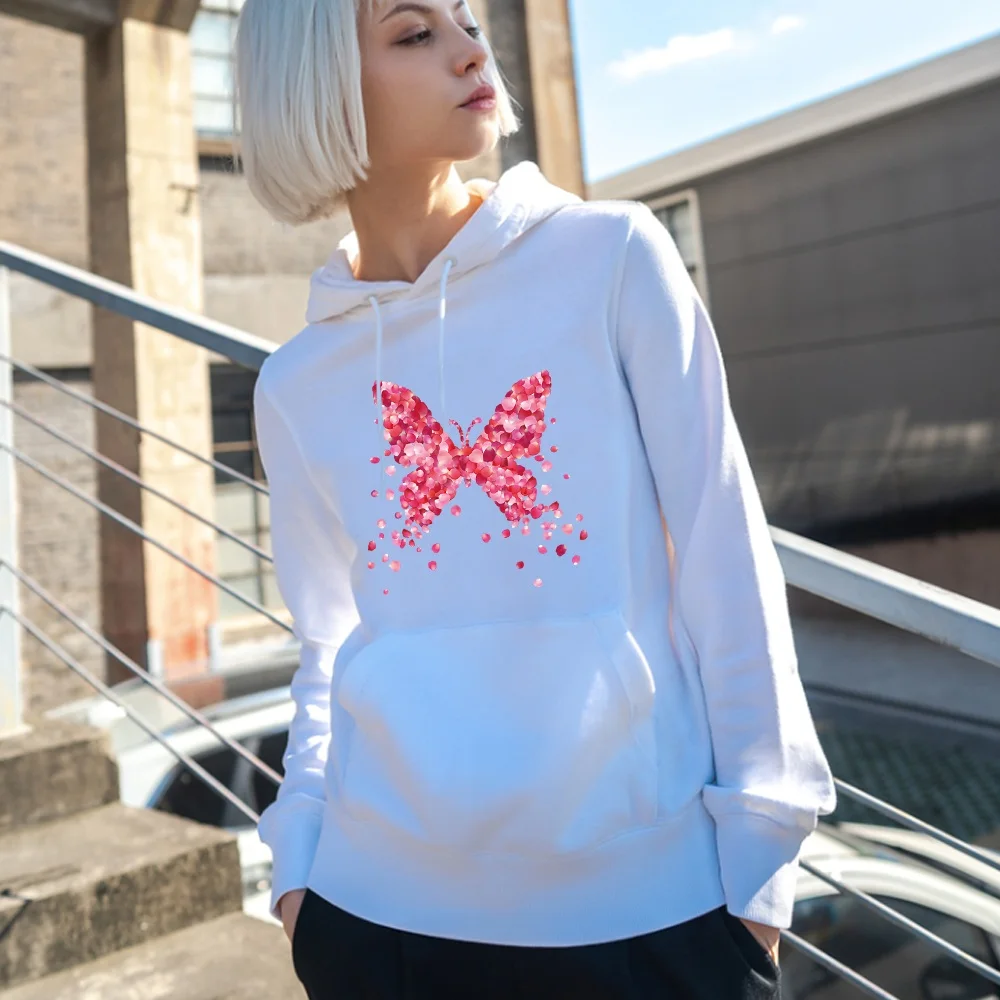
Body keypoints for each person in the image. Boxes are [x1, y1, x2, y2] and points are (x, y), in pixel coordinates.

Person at [235, 1, 836, 996]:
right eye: (414, 33)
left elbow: (723, 553)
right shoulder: (296, 384)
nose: (472, 49)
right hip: (374, 919)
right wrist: (299, 856)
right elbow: (327, 639)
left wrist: (761, 856)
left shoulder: (611, 258)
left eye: (467, 19)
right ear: (316, 87)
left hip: (648, 913)